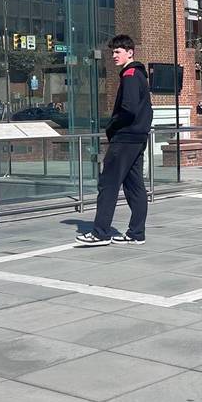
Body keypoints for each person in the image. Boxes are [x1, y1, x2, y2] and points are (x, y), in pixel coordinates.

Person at [76, 34, 152, 246]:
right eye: (112, 52)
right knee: (135, 185)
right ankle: (136, 233)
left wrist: (112, 126)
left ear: (130, 52)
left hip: (125, 138)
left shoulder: (129, 74)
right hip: (137, 138)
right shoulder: (140, 75)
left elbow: (128, 109)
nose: (114, 55)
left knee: (108, 184)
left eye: (118, 51)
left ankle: (100, 233)